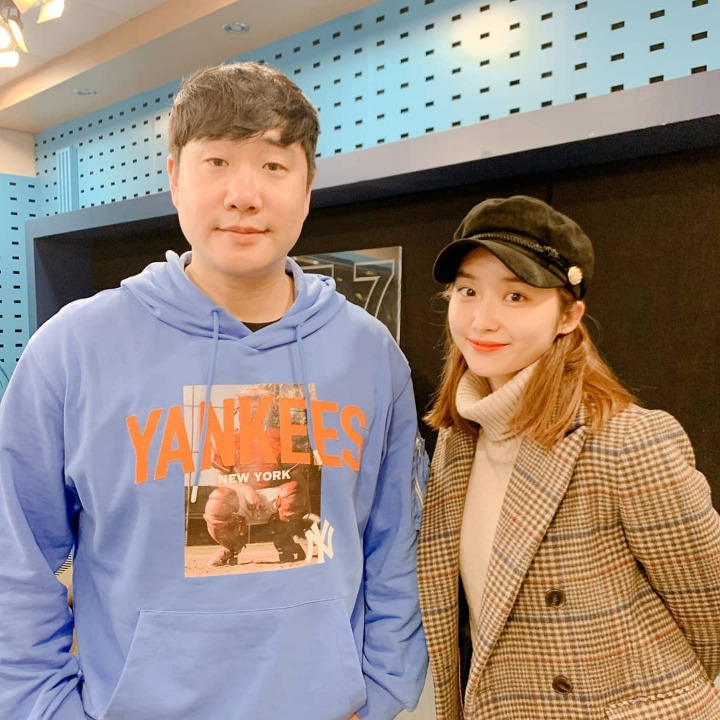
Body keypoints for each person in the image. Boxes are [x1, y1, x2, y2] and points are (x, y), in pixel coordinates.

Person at [0, 62, 428, 720]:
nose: (244, 195)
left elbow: (395, 550)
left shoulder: (371, 357)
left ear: (308, 186)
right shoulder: (72, 350)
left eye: (274, 165)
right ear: (175, 176)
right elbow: (15, 557)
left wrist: (383, 693)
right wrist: (41, 707)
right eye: (217, 162)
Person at [417, 195, 720, 719]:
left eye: (516, 296)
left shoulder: (626, 440)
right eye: (467, 291)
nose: (482, 320)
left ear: (568, 315)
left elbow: (711, 613)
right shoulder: (458, 439)